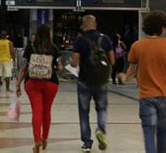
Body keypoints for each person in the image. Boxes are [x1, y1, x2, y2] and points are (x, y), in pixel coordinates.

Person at [123, 10, 166, 153]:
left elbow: (130, 72)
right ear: (163, 27)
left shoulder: (137, 46)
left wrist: (124, 78)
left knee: (149, 133)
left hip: (146, 96)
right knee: (162, 133)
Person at [71, 15, 115, 152]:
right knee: (101, 109)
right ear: (95, 24)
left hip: (84, 81)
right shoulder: (105, 38)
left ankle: (87, 144)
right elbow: (112, 60)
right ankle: (100, 130)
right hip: (101, 81)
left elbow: (74, 62)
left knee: (84, 113)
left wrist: (73, 62)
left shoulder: (79, 40)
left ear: (83, 25)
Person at [15, 25, 61, 153]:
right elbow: (60, 67)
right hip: (51, 83)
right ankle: (45, 138)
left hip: (32, 82)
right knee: (47, 111)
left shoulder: (30, 47)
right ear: (49, 34)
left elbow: (23, 67)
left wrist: (18, 84)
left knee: (36, 111)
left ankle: (37, 141)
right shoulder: (53, 48)